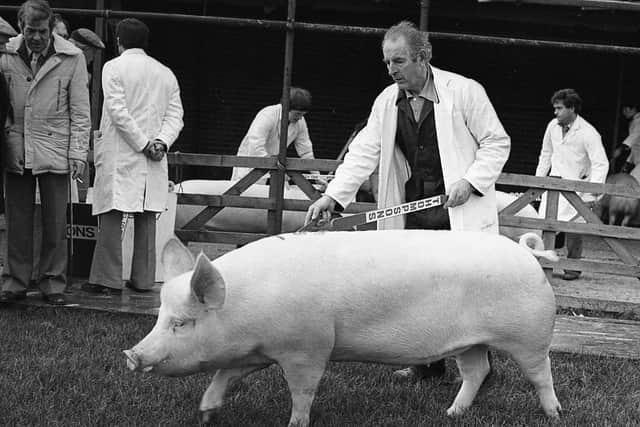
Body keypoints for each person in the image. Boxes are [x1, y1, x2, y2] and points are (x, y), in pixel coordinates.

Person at [305, 21, 511, 380]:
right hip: (413, 208)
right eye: (386, 62)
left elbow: (497, 142)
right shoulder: (387, 100)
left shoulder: (464, 91)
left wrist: (470, 181)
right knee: (416, 288)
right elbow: (363, 151)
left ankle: (480, 370)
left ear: (423, 56)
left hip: (457, 209)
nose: (391, 70)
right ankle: (426, 364)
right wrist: (333, 197)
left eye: (398, 61)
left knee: (462, 290)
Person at [82, 18, 184, 295]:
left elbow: (118, 111)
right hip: (154, 156)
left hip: (122, 151)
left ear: (118, 41)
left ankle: (108, 280)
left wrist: (143, 144)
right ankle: (143, 280)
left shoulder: (112, 67)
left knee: (113, 213)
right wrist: (160, 143)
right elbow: (176, 116)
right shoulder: (166, 73)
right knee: (147, 218)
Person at [0, 0, 90, 305]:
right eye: (29, 31)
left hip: (56, 148)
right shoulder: (6, 54)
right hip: (17, 147)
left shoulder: (73, 57)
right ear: (21, 27)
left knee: (55, 222)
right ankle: (15, 282)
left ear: (51, 28)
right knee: (17, 220)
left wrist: (78, 153)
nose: (35, 37)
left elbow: (80, 111)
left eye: (41, 31)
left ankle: (53, 283)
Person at [535, 88, 608, 281]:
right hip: (554, 184)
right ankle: (543, 265)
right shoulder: (552, 126)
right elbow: (546, 154)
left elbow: (601, 163)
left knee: (574, 230)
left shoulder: (588, 132)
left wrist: (592, 193)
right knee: (546, 226)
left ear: (572, 108)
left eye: (559, 108)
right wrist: (538, 181)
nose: (555, 112)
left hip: (576, 188)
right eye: (555, 108)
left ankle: (572, 268)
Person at [231, 87, 318, 184]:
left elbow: (306, 152)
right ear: (286, 108)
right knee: (242, 195)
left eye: (303, 114)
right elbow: (256, 145)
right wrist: (277, 171)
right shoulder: (267, 115)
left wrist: (317, 176)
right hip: (249, 165)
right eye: (297, 114)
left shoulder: (300, 121)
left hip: (271, 168)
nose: (300, 118)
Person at [611, 102, 640, 175]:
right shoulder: (633, 122)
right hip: (637, 161)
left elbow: (633, 137)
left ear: (633, 109)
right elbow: (635, 146)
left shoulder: (638, 121)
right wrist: (628, 163)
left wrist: (620, 149)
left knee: (635, 178)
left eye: (626, 110)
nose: (624, 113)